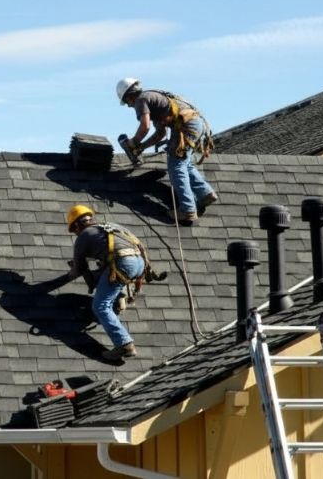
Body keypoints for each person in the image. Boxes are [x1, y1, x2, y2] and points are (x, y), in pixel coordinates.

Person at [116, 78, 217, 223]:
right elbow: (160, 134)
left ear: (129, 96)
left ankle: (188, 210)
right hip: (195, 124)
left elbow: (145, 127)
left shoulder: (141, 100)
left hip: (186, 127)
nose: (129, 106)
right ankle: (205, 193)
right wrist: (142, 147)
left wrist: (132, 143)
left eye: (127, 102)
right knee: (184, 163)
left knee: (176, 166)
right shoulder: (154, 100)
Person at [65, 204, 145, 361]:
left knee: (100, 305)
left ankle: (124, 344)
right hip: (139, 264)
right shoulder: (111, 226)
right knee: (107, 272)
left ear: (77, 225)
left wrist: (72, 271)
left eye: (74, 230)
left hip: (123, 264)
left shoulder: (84, 235)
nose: (76, 234)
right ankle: (119, 297)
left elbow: (78, 270)